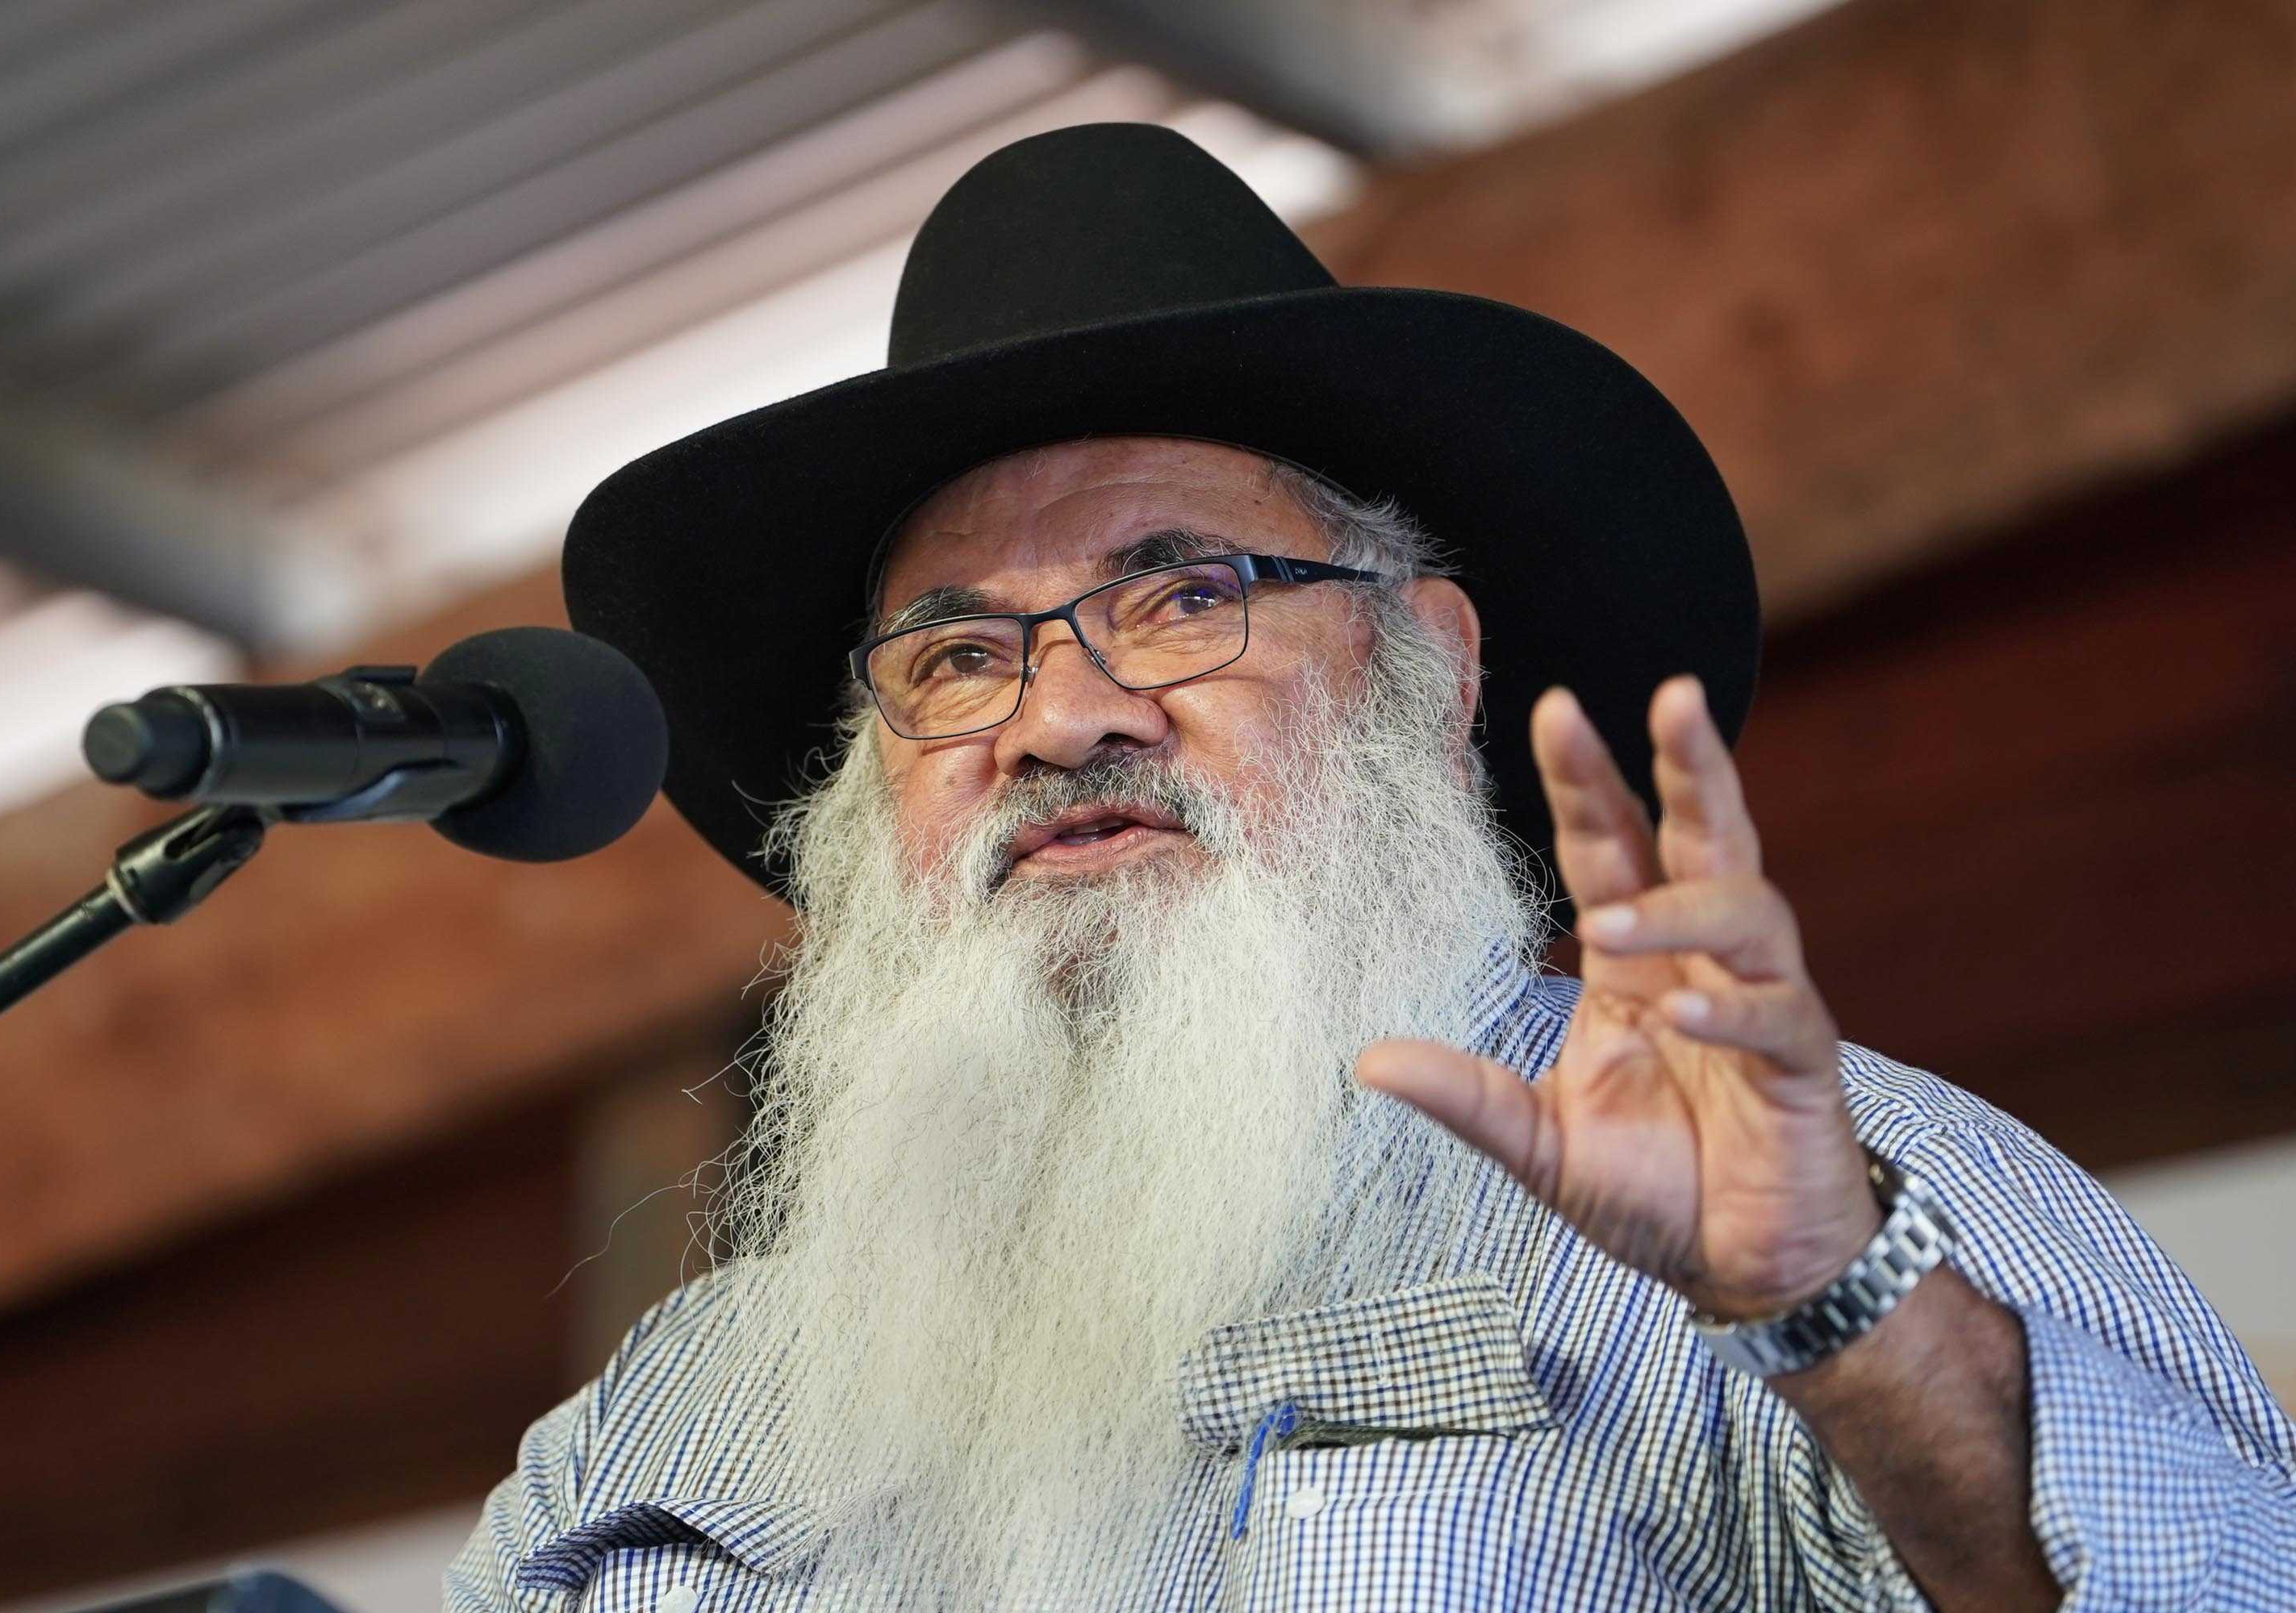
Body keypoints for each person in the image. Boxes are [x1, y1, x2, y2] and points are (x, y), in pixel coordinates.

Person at [449, 124, 2295, 1611]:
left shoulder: (1842, 1211)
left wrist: (1833, 1298)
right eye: (952, 658)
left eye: (1184, 596)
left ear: (1430, 673)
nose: (1059, 715)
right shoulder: (688, 1405)